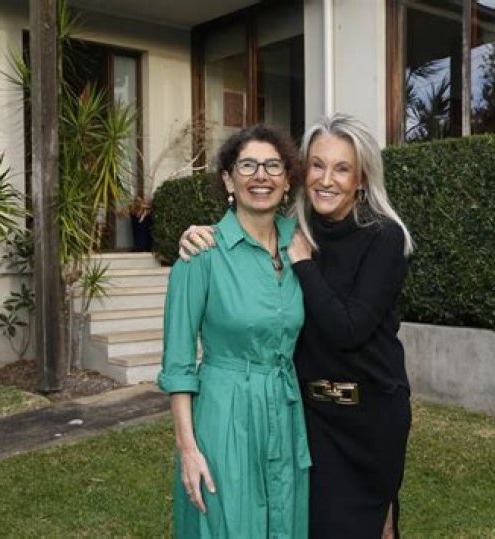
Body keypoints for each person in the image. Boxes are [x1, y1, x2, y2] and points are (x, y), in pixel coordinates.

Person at [179, 113, 414, 538]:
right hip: (311, 418)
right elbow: (246, 234)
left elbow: (348, 329)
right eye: (317, 165)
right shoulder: (292, 231)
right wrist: (199, 234)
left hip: (370, 416)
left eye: (342, 169)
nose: (326, 179)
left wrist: (304, 265)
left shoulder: (383, 237)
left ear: (361, 179)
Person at [158, 124, 311, 538]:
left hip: (286, 413)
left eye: (273, 166)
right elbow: (178, 365)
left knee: (285, 521)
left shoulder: (301, 247)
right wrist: (188, 449)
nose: (261, 176)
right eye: (247, 166)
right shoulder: (201, 255)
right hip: (225, 417)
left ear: (287, 179)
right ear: (228, 180)